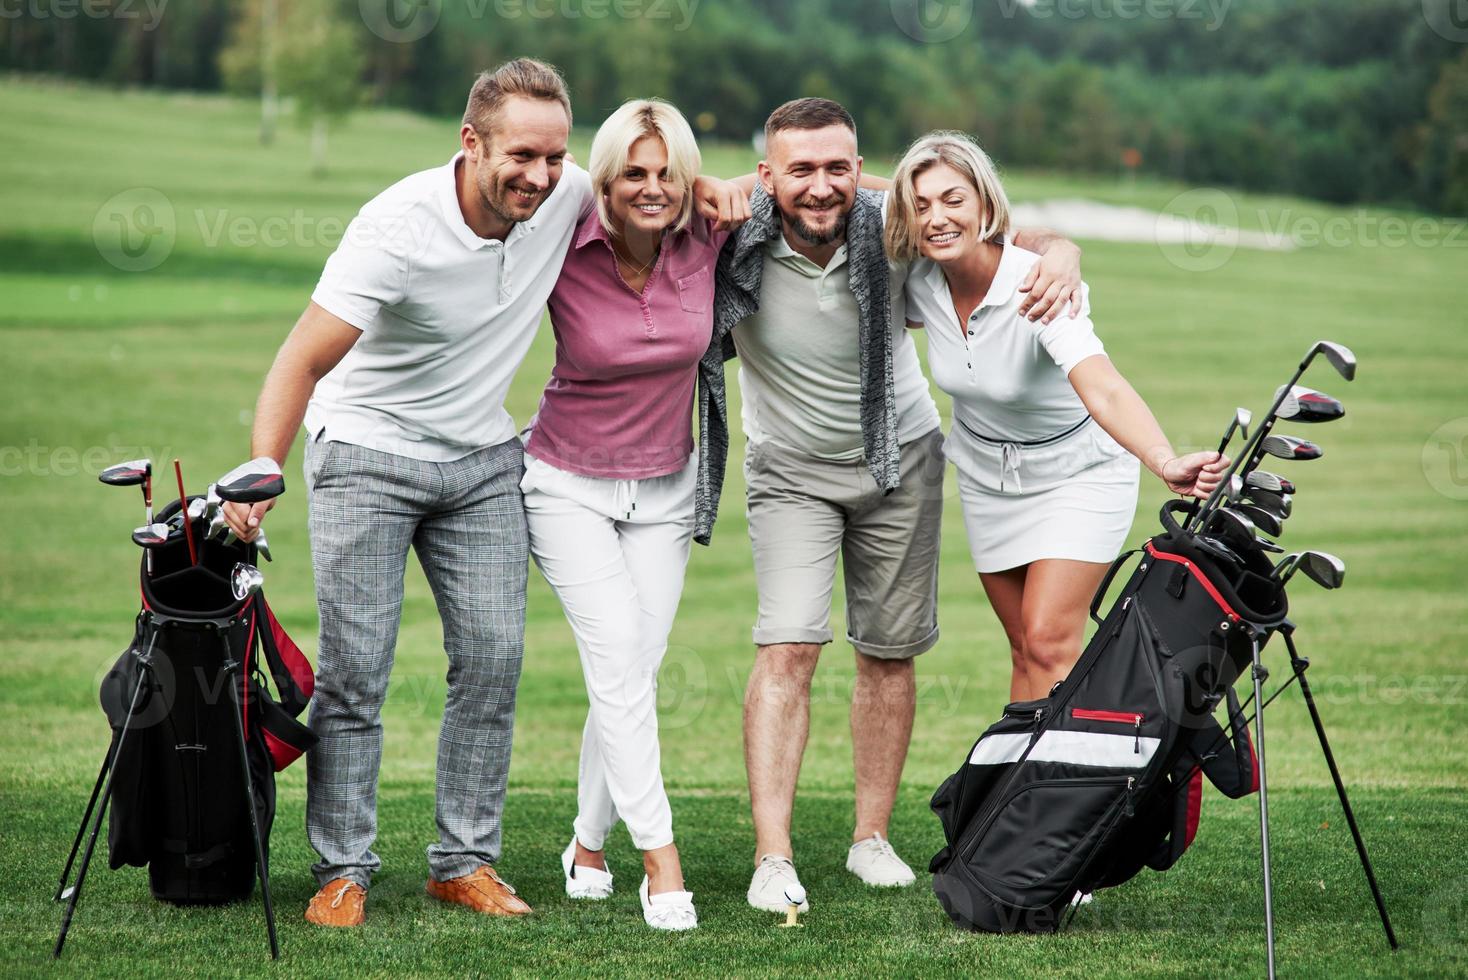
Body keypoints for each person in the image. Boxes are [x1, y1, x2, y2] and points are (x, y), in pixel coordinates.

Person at [220, 59, 746, 929]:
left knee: (495, 660)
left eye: (553, 155)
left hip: (482, 460)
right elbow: (302, 358)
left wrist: (718, 185)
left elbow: (666, 185)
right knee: (357, 671)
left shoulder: (570, 192)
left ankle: (462, 860)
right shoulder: (396, 227)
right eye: (520, 156)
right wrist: (263, 467)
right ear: (471, 144)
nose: (539, 175)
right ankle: (342, 869)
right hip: (367, 452)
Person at [697, 99, 1087, 912]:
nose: (822, 186)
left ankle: (870, 838)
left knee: (888, 652)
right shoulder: (734, 238)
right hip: (791, 472)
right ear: (767, 176)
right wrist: (727, 188)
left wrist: (1066, 251)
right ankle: (773, 857)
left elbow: (1007, 234)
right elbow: (659, 206)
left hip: (900, 461)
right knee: (788, 647)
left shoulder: (895, 227)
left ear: (861, 168)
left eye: (839, 167)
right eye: (799, 170)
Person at [885, 130, 1228, 704]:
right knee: (1024, 646)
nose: (937, 218)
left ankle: (1060, 785)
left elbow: (1104, 387)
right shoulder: (920, 282)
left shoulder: (1040, 282)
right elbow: (861, 192)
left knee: (1050, 641)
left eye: (953, 199)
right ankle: (1022, 787)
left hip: (1079, 474)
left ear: (986, 205)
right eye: (920, 206)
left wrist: (1163, 459)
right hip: (987, 481)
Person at [521, 98, 747, 931]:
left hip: (665, 489)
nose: (651, 190)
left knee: (630, 675)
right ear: (603, 180)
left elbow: (835, 188)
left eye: (668, 173)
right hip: (563, 485)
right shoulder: (562, 236)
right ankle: (662, 861)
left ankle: (586, 842)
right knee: (619, 658)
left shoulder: (709, 234)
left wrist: (1042, 235)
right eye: (632, 175)